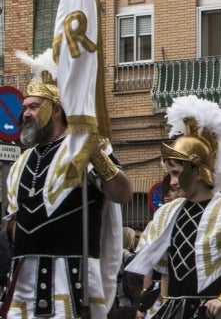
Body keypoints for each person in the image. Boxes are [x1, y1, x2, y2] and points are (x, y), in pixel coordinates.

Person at [3, 50, 132, 318]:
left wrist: (95, 153)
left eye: (33, 106)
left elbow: (123, 194)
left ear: (57, 109)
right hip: (23, 280)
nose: (25, 113)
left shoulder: (82, 148)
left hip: (72, 278)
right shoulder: (20, 163)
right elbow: (15, 224)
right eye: (24, 107)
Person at [126, 95, 221, 318]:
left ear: (197, 171)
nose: (171, 181)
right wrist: (160, 306)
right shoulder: (166, 213)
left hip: (210, 312)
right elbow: (165, 270)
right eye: (170, 174)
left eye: (176, 173)